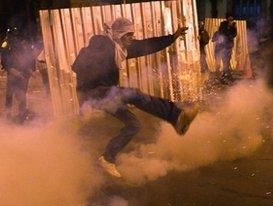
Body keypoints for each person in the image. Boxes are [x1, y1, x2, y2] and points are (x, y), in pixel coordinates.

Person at [72, 17, 199, 178]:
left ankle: (107, 158)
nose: (132, 38)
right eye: (129, 35)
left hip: (106, 93)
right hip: (92, 93)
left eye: (132, 34)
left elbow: (148, 46)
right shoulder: (103, 45)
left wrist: (173, 37)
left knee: (134, 124)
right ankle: (177, 116)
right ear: (119, 34)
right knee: (133, 94)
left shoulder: (122, 49)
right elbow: (77, 65)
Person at [5, 29, 34, 122]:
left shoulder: (18, 45)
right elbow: (5, 61)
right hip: (13, 74)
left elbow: (24, 58)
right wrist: (12, 71)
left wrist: (28, 70)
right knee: (11, 95)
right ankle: (10, 114)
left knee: (20, 94)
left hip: (21, 74)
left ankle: (21, 113)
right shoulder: (7, 45)